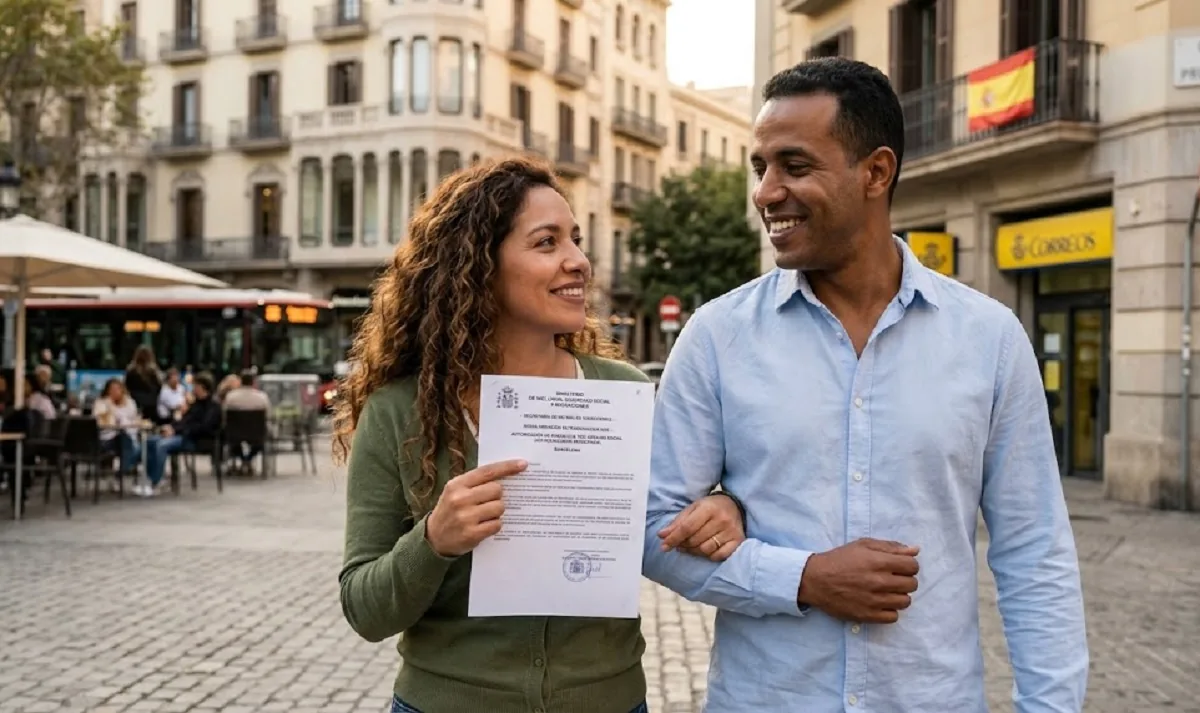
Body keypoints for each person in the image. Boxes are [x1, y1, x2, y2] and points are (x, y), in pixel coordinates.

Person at [642, 58, 1088, 712]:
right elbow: (653, 533)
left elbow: (1035, 552)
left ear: (876, 172)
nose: (766, 192)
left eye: (794, 167)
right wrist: (804, 578)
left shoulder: (988, 338)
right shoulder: (716, 336)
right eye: (759, 168)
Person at [335, 156, 747, 713]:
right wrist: (434, 539)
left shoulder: (623, 392)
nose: (579, 261)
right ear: (479, 265)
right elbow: (365, 609)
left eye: (575, 240)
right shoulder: (399, 411)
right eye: (547, 243)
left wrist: (722, 507)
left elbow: (672, 517)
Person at [141, 372, 222, 497]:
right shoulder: (195, 404)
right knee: (150, 441)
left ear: (202, 387)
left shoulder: (213, 407)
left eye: (195, 386)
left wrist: (178, 431)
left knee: (162, 445)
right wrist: (171, 428)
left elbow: (204, 428)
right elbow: (184, 421)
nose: (193, 389)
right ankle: (150, 477)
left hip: (197, 440)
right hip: (184, 435)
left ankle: (157, 482)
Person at [92, 378, 143, 482]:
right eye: (112, 389)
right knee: (126, 441)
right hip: (106, 438)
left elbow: (135, 420)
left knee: (130, 441)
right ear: (107, 391)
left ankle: (121, 473)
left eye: (118, 389)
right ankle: (121, 473)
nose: (115, 392)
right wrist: (110, 405)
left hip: (129, 435)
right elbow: (102, 421)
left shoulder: (129, 402)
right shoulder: (101, 403)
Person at [223, 368, 271, 474]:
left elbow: (224, 415)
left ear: (240, 381)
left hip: (234, 433)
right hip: (257, 433)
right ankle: (248, 459)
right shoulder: (262, 397)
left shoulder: (231, 397)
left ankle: (242, 459)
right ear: (253, 382)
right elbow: (268, 415)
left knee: (232, 441)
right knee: (261, 441)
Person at [124, 345, 161, 423]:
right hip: (151, 403)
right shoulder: (154, 371)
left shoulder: (130, 370)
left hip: (135, 402)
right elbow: (159, 387)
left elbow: (126, 387)